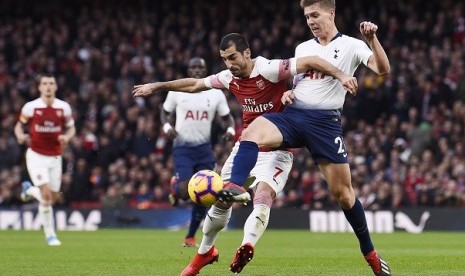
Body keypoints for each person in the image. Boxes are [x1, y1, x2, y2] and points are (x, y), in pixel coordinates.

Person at [133, 33, 357, 276]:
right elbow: (195, 85)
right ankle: (205, 253)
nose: (229, 64)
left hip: (277, 150)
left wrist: (342, 75)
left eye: (233, 57)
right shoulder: (229, 78)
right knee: (221, 199)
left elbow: (312, 60)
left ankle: (246, 244)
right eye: (224, 59)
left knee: (263, 195)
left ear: (247, 53)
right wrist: (158, 86)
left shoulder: (270, 69)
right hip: (245, 148)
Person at [217, 1, 392, 275]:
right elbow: (297, 83)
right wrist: (288, 93)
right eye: (306, 16)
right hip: (294, 117)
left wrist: (372, 39)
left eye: (314, 14)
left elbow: (382, 69)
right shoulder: (303, 48)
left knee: (344, 196)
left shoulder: (352, 45)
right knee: (251, 132)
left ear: (330, 13)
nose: (310, 20)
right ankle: (236, 186)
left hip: (325, 124)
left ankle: (369, 252)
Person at [162, 57, 236, 247]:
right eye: (193, 67)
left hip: (204, 149)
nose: (196, 70)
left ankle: (190, 236)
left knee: (205, 195)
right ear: (188, 70)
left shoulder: (216, 93)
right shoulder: (177, 91)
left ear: (205, 70)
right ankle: (175, 188)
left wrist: (230, 130)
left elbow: (228, 118)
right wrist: (166, 127)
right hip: (182, 148)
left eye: (199, 67)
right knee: (186, 192)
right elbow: (165, 112)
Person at [15, 73, 76, 246]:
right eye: (45, 83)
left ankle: (29, 191)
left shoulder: (63, 107)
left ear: (56, 87)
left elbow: (72, 129)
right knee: (46, 195)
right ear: (40, 87)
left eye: (51, 83)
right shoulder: (31, 107)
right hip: (36, 155)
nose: (48, 86)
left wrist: (67, 137)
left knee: (53, 198)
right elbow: (19, 126)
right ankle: (50, 235)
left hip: (55, 156)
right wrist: (20, 135)